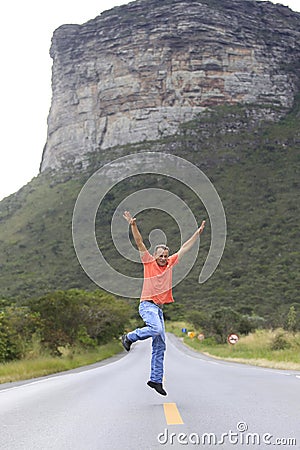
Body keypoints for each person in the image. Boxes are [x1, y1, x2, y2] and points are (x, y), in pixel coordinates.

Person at [122, 210, 205, 396]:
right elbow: (140, 242)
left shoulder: (170, 263)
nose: (163, 258)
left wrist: (197, 234)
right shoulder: (148, 261)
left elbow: (184, 248)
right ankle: (129, 337)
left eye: (165, 255)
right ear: (155, 255)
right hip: (147, 305)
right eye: (160, 255)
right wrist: (133, 225)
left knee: (160, 346)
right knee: (157, 330)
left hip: (158, 309)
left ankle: (156, 380)